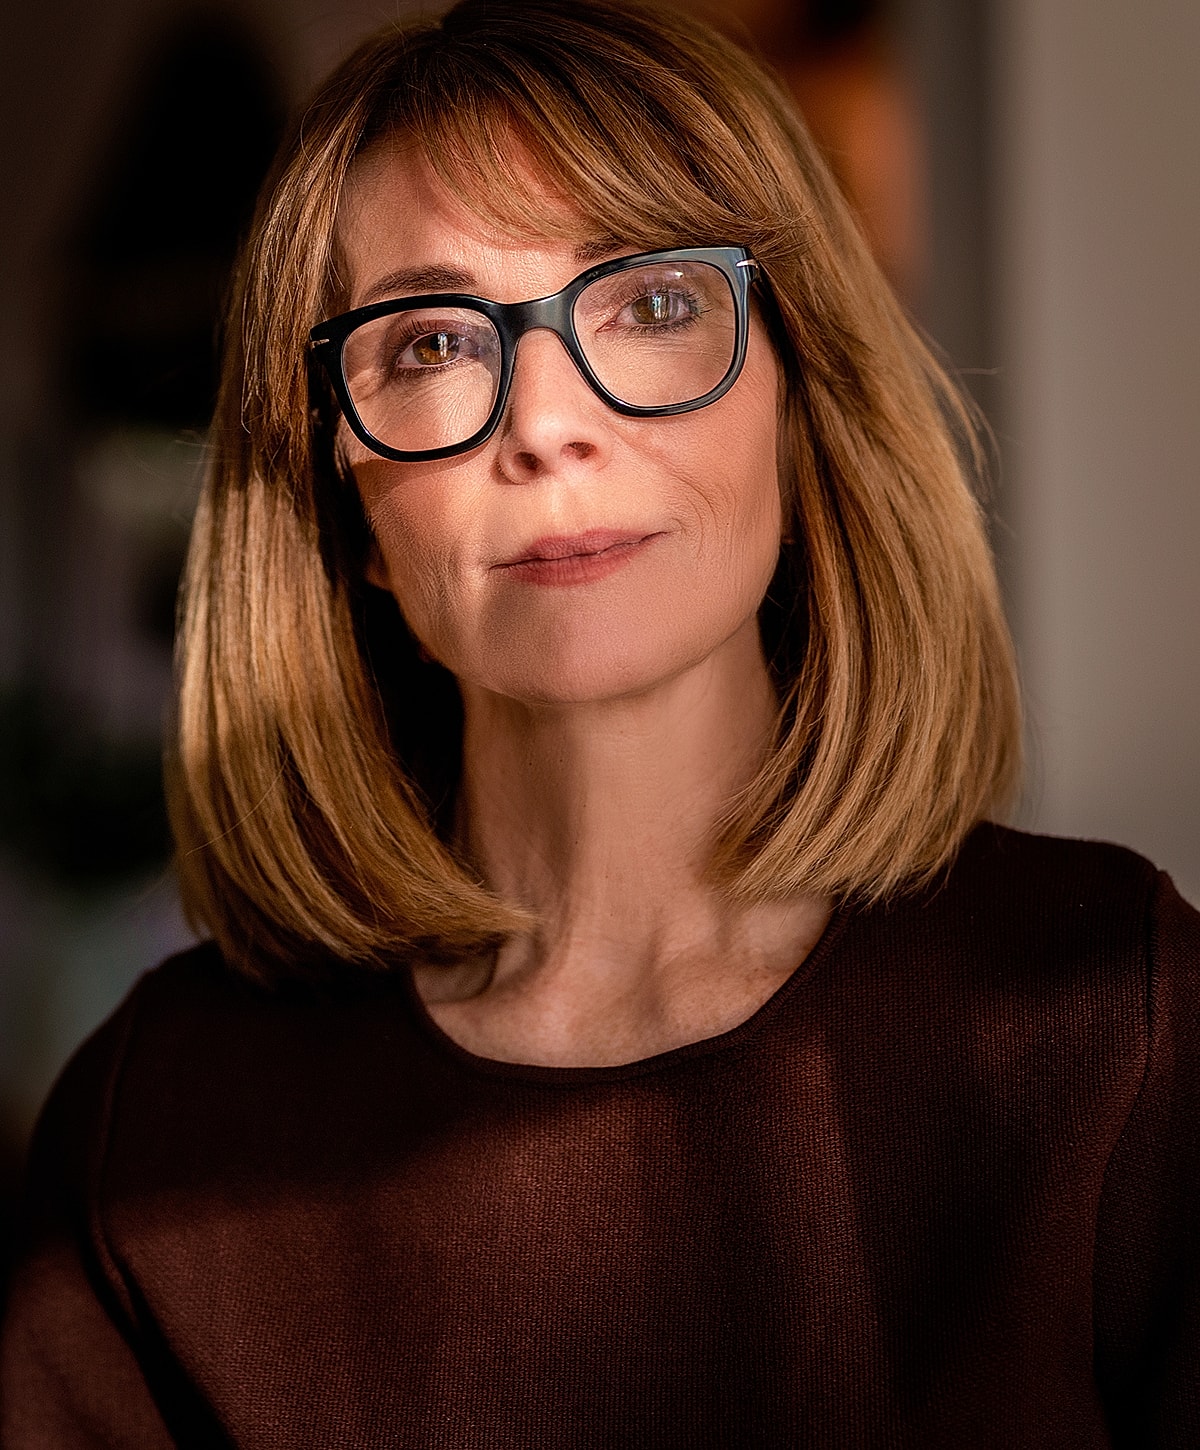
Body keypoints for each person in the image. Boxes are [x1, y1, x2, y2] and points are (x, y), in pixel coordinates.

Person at [3, 0, 1197, 1443]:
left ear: (801, 404)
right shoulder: (156, 1141)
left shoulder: (1111, 1024)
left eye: (654, 302)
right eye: (436, 340)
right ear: (353, 513)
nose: (547, 423)